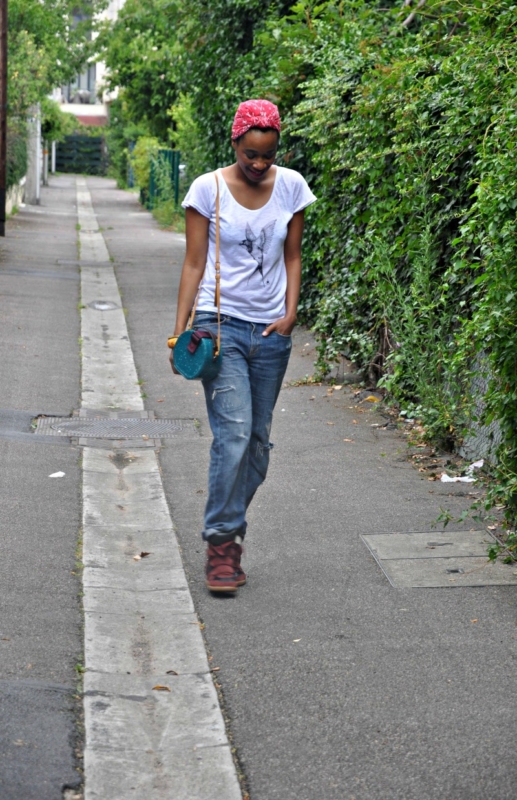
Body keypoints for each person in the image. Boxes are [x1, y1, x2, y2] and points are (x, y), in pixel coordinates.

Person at [169, 99, 316, 593]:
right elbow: (193, 262)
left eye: (267, 156)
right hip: (219, 328)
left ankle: (225, 524)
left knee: (256, 447)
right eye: (251, 154)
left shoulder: (292, 186)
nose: (258, 165)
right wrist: (179, 328)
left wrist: (292, 312)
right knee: (232, 436)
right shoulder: (207, 189)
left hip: (271, 334)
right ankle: (222, 544)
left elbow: (292, 256)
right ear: (234, 143)